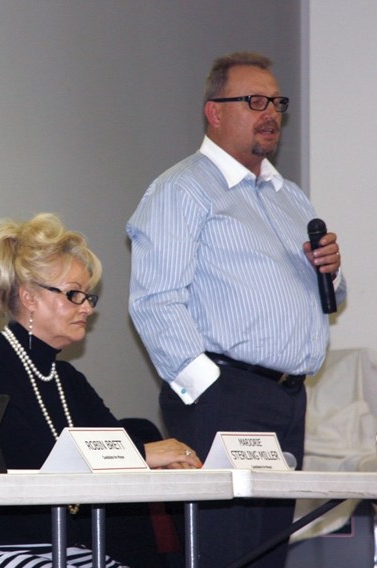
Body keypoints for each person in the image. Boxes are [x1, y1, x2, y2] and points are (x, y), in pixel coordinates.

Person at [127, 52, 346, 568]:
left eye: (276, 102)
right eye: (254, 101)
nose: (270, 112)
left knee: (268, 552)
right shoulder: (181, 190)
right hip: (225, 396)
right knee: (224, 552)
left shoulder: (290, 197)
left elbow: (317, 299)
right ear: (215, 112)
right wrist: (210, 390)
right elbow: (155, 300)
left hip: (289, 400)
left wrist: (330, 272)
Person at [0, 212, 201, 568]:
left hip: (53, 543)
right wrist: (143, 454)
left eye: (88, 296)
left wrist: (157, 457)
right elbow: (31, 464)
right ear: (29, 297)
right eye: (74, 294)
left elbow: (113, 441)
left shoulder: (66, 379)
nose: (87, 309)